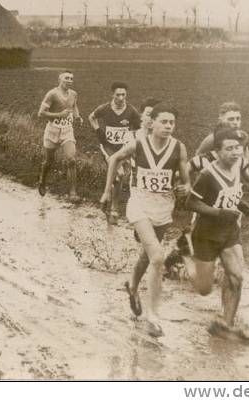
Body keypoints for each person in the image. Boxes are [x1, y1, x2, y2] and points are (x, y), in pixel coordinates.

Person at [101, 104, 190, 337]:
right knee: (158, 257)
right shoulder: (138, 144)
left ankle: (132, 287)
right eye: (164, 122)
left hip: (163, 207)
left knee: (147, 255)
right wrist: (107, 191)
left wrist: (185, 187)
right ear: (152, 123)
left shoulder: (179, 148)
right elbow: (113, 160)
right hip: (139, 205)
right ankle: (153, 316)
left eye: (172, 122)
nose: (168, 126)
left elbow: (186, 181)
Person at [176, 127, 249, 341]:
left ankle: (226, 324)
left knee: (236, 276)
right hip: (206, 234)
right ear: (218, 152)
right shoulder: (207, 174)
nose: (235, 152)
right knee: (204, 289)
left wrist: (243, 204)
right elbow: (190, 202)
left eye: (238, 148)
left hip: (230, 232)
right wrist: (219, 212)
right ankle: (185, 254)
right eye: (229, 149)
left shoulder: (238, 166)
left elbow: (228, 194)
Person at [88, 82, 141, 223]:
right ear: (112, 94)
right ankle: (114, 209)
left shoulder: (131, 110)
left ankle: (109, 198)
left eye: (124, 94)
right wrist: (98, 130)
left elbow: (138, 126)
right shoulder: (104, 108)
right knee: (120, 174)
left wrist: (131, 135)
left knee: (119, 178)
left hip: (123, 147)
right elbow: (91, 117)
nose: (121, 97)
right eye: (118, 94)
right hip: (108, 146)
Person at [38, 70, 83, 201]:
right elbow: (41, 113)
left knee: (72, 160)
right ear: (59, 80)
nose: (69, 81)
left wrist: (78, 116)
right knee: (49, 161)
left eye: (71, 79)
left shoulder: (74, 94)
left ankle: (73, 192)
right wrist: (59, 115)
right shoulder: (52, 94)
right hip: (52, 130)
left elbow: (74, 106)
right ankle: (42, 180)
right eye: (66, 78)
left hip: (67, 130)